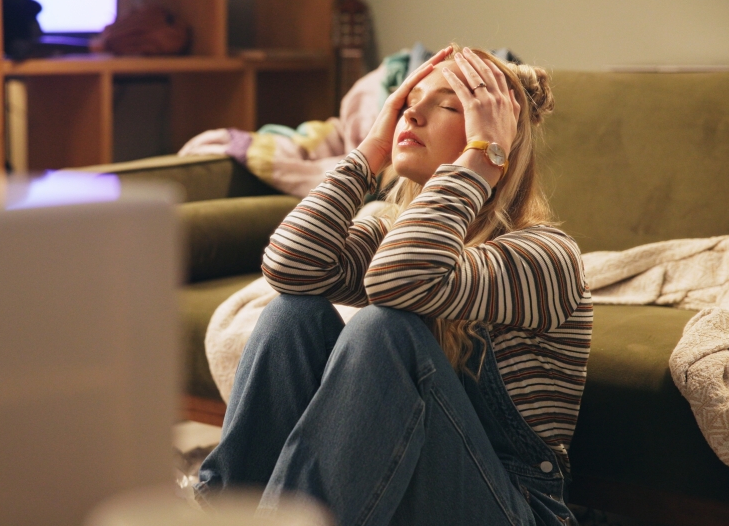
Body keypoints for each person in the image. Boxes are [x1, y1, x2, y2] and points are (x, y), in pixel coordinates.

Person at [196, 44, 592, 526]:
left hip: (514, 508)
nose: (413, 116)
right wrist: (367, 153)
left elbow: (399, 281)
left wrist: (484, 160)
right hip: (407, 488)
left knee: (384, 328)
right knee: (292, 314)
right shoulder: (391, 229)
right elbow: (288, 268)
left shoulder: (546, 257)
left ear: (496, 136)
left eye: (448, 106)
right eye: (407, 103)